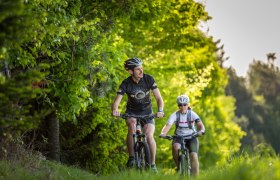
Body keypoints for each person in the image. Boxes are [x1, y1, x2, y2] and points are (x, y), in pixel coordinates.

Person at [112, 57, 164, 172]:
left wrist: (160, 110)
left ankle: (153, 165)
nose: (141, 71)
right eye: (138, 69)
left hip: (147, 112)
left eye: (142, 68)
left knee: (149, 135)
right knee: (132, 125)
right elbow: (117, 101)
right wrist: (115, 110)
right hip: (131, 112)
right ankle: (131, 158)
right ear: (131, 71)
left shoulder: (149, 79)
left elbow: (159, 98)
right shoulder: (126, 83)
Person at [159, 95, 205, 176]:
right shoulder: (175, 115)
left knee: (193, 155)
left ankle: (195, 177)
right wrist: (163, 133)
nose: (182, 107)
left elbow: (200, 125)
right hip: (178, 137)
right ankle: (179, 167)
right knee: (175, 147)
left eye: (184, 104)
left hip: (192, 137)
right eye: (180, 105)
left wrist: (201, 131)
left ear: (188, 105)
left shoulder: (192, 114)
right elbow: (167, 126)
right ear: (178, 106)